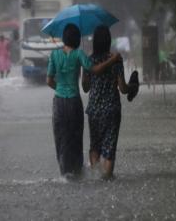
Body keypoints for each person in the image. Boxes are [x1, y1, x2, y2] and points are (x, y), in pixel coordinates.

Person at [46, 23, 121, 179]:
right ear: (77, 39)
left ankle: (64, 174)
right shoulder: (79, 54)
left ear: (64, 38)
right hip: (74, 101)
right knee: (75, 137)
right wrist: (113, 59)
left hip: (59, 102)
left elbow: (49, 80)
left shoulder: (54, 55)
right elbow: (94, 70)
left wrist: (60, 89)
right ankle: (77, 172)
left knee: (61, 137)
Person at [82, 25, 137, 180]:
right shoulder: (116, 60)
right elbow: (123, 88)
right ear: (108, 41)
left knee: (94, 146)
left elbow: (85, 88)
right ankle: (106, 177)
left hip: (93, 110)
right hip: (112, 110)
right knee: (109, 147)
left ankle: (95, 177)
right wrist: (132, 87)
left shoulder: (88, 61)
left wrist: (85, 72)